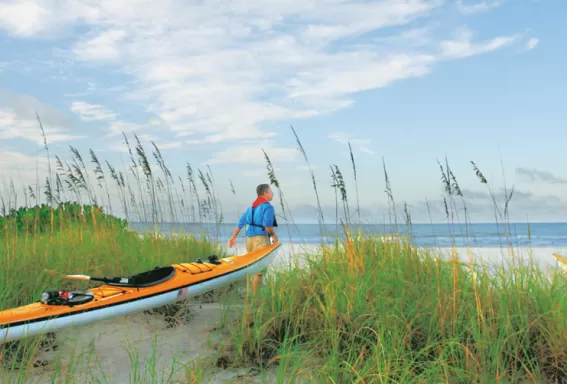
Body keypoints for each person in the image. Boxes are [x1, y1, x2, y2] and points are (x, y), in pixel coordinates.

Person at [228, 183, 279, 295]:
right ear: (265, 193)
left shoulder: (251, 207)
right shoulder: (268, 207)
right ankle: (256, 298)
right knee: (259, 271)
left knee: (251, 268)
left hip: (249, 240)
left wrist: (233, 237)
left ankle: (249, 293)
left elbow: (240, 223)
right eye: (270, 191)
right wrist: (274, 236)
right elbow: (267, 226)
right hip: (260, 240)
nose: (272, 193)